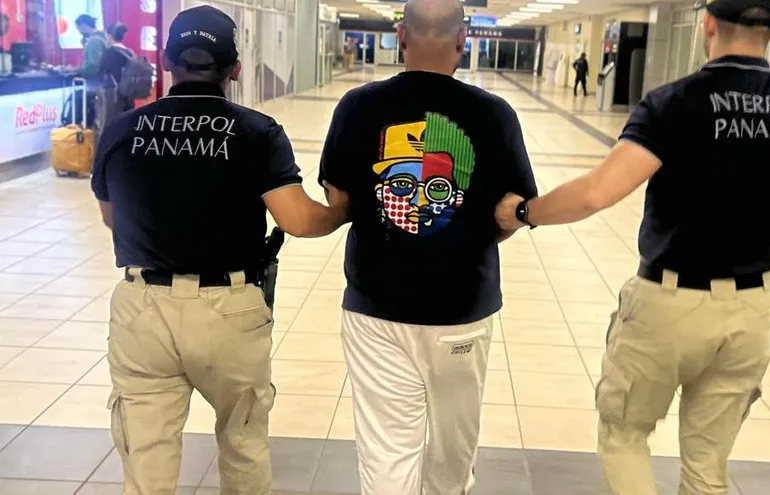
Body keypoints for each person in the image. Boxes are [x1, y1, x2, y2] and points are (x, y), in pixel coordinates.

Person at [496, 0, 770, 493]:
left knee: (624, 433)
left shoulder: (675, 104)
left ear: (709, 23)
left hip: (668, 306)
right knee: (707, 465)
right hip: (750, 311)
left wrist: (524, 212)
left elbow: (596, 193)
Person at [90, 6, 349, 494]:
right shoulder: (256, 132)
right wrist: (342, 209)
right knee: (243, 441)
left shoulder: (122, 131)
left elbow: (111, 218)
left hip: (143, 309)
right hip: (229, 309)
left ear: (167, 63)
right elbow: (296, 220)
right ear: (235, 68)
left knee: (145, 455)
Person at [318, 0, 537, 492]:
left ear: (401, 37)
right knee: (452, 454)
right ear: (464, 40)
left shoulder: (357, 107)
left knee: (386, 455)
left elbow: (340, 198)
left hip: (375, 309)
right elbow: (514, 210)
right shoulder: (494, 114)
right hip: (462, 310)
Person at [99, 22, 136, 112]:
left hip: (113, 95)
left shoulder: (108, 52)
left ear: (109, 36)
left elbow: (102, 72)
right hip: (128, 95)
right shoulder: (130, 52)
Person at [75, 14, 107, 80]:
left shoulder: (94, 41)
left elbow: (93, 66)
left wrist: (76, 70)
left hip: (95, 83)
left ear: (83, 25)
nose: (79, 32)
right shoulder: (103, 38)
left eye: (79, 29)